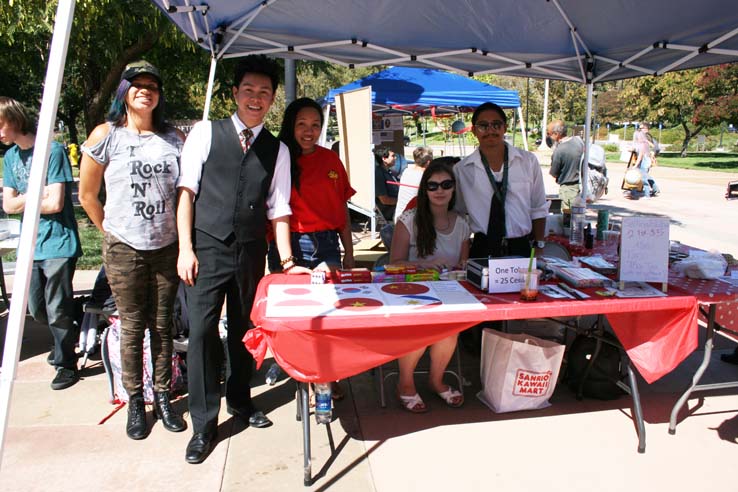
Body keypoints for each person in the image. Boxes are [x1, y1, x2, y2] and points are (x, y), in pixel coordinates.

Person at [176, 55, 308, 464]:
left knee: (245, 331)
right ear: (234, 93)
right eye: (249, 91)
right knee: (200, 333)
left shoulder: (278, 150)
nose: (256, 99)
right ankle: (203, 422)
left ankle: (240, 401)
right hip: (206, 248)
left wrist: (286, 263)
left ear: (272, 99)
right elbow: (186, 194)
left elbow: (279, 209)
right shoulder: (205, 133)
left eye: (264, 93)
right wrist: (185, 248)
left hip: (250, 251)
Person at [78, 60, 186, 440]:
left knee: (162, 326)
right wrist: (110, 231)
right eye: (137, 84)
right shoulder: (105, 135)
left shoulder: (174, 138)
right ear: (124, 92)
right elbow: (88, 195)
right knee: (130, 327)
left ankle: (163, 396)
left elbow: (186, 194)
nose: (145, 90)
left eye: (152, 85)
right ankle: (135, 402)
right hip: (124, 249)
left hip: (166, 246)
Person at [1, 96, 82, 391]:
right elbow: (8, 205)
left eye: (0, 124)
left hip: (58, 242)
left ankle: (65, 363)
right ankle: (73, 327)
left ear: (14, 119)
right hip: (31, 245)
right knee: (37, 308)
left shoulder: (52, 150)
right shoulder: (10, 158)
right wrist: (37, 195)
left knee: (58, 306)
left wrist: (27, 199)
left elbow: (56, 203)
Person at [390, 159, 471, 412]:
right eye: (433, 185)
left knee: (450, 329)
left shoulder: (461, 224)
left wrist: (458, 271)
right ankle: (405, 384)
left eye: (446, 184)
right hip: (412, 293)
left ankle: (436, 381)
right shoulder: (409, 219)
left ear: (454, 188)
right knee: (422, 329)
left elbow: (463, 266)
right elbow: (393, 266)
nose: (440, 190)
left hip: (448, 293)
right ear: (424, 190)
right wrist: (425, 267)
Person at [267, 97, 356, 273]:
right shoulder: (277, 158)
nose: (309, 131)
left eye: (315, 125)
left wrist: (349, 252)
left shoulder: (331, 159)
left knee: (329, 298)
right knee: (291, 298)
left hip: (328, 244)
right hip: (290, 245)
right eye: (301, 124)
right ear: (290, 125)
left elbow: (341, 206)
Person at [454, 102, 549, 259]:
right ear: (473, 131)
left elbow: (539, 207)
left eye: (496, 125)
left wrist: (539, 245)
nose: (490, 130)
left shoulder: (528, 161)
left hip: (521, 247)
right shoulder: (462, 169)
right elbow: (459, 212)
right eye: (483, 126)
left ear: (505, 127)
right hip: (483, 248)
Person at [547, 120, 584, 211]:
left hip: (568, 189)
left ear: (556, 134)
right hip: (582, 186)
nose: (548, 136)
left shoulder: (559, 150)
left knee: (568, 218)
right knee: (578, 214)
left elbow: (554, 173)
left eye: (549, 133)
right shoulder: (578, 141)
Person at [394, 146, 433, 222]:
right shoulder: (424, 178)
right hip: (413, 219)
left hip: (400, 217)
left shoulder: (406, 171)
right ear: (428, 162)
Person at [633, 123, 660, 198]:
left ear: (646, 129)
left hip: (645, 158)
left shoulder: (647, 137)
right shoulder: (643, 137)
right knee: (645, 175)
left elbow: (655, 147)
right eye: (639, 128)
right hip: (644, 158)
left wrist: (652, 153)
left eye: (641, 128)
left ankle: (645, 193)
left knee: (643, 176)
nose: (640, 130)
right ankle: (655, 189)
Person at [374, 147, 399, 222]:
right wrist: (402, 202)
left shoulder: (389, 171)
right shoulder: (379, 174)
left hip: (395, 206)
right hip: (389, 210)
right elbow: (384, 200)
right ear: (384, 158)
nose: (395, 158)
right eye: (393, 156)